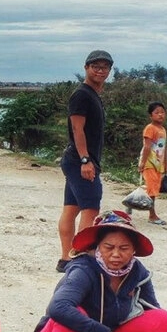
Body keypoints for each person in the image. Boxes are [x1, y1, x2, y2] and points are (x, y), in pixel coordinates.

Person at [34, 210, 167, 332]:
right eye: (109, 247)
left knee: (162, 319)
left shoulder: (137, 272)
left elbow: (154, 310)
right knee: (69, 314)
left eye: (124, 248)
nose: (116, 254)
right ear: (98, 246)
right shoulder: (83, 269)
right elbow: (58, 307)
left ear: (134, 251)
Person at [57, 49, 113, 273]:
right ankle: (81, 259)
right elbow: (77, 129)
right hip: (80, 161)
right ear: (86, 68)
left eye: (105, 67)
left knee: (71, 209)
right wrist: (85, 160)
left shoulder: (91, 94)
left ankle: (65, 259)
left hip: (77, 161)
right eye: (95, 66)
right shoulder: (82, 94)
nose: (100, 71)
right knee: (90, 209)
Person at [137, 101, 167, 227]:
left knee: (153, 188)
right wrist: (142, 163)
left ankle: (132, 201)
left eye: (162, 112)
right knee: (152, 190)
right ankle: (152, 215)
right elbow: (147, 147)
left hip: (158, 164)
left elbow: (164, 148)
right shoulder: (150, 128)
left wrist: (166, 163)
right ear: (151, 116)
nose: (160, 115)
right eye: (157, 112)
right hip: (150, 163)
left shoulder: (162, 129)